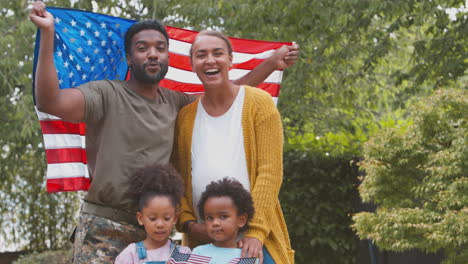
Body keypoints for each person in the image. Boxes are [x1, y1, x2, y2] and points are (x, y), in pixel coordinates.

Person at [29, 1, 298, 263]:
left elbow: (226, 89)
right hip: (105, 226)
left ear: (168, 56)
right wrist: (47, 33)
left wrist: (270, 64)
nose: (152, 54)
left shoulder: (176, 103)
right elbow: (49, 101)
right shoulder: (106, 93)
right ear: (129, 58)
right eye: (142, 48)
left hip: (157, 232)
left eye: (160, 48)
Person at [172, 30, 294, 264]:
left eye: (217, 53)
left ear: (230, 59)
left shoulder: (258, 103)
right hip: (202, 245)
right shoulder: (185, 117)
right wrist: (190, 224)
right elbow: (180, 181)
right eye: (201, 55)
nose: (210, 60)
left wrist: (255, 232)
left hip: (254, 242)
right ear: (192, 64)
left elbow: (270, 173)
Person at [115, 164, 190, 264]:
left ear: (175, 218)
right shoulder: (131, 254)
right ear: (140, 218)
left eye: (167, 218)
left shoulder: (182, 253)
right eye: (153, 218)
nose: (160, 224)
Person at [192, 177, 259, 264]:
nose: (215, 223)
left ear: (241, 220)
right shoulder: (199, 253)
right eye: (210, 218)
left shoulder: (248, 256)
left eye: (223, 217)